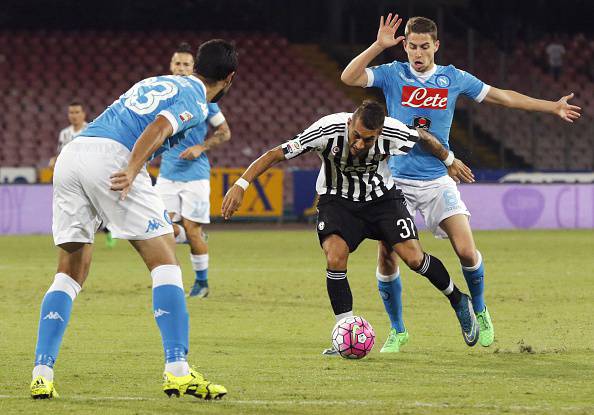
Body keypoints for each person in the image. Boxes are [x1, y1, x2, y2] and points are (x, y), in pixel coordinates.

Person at [340, 14, 581, 351]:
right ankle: (398, 331)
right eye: (412, 47)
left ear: (436, 46)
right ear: (405, 46)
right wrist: (378, 46)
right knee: (387, 256)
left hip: (438, 179)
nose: (418, 53)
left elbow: (503, 97)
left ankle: (479, 310)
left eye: (425, 47)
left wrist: (550, 106)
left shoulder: (453, 78)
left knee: (467, 251)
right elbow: (349, 76)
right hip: (395, 180)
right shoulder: (393, 74)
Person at [30, 39, 237, 400]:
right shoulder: (196, 100)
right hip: (113, 159)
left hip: (73, 156)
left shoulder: (157, 80)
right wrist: (130, 168)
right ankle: (177, 370)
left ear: (197, 64)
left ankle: (41, 373)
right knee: (165, 261)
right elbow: (158, 126)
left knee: (69, 271)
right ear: (230, 78)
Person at [221, 100, 478, 356]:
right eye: (356, 135)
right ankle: (344, 332)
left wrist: (448, 159)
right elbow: (276, 153)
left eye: (368, 140)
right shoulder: (325, 130)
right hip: (338, 200)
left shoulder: (393, 131)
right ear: (349, 123)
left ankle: (458, 299)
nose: (358, 144)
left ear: (379, 133)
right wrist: (241, 185)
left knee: (413, 259)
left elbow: (422, 135)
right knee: (335, 256)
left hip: (381, 199)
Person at [155, 42, 232, 298]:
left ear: (194, 68)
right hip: (167, 173)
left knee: (192, 229)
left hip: (195, 175)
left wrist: (201, 146)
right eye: (177, 63)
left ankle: (202, 283)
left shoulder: (205, 99)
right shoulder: (163, 95)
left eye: (186, 64)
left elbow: (224, 133)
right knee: (162, 230)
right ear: (170, 66)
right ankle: (172, 282)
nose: (180, 68)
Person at [48, 101, 87, 169]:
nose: (74, 116)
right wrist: (54, 160)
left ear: (83, 114)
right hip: (68, 170)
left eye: (77, 112)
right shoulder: (64, 133)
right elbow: (60, 153)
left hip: (84, 169)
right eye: (71, 113)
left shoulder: (90, 131)